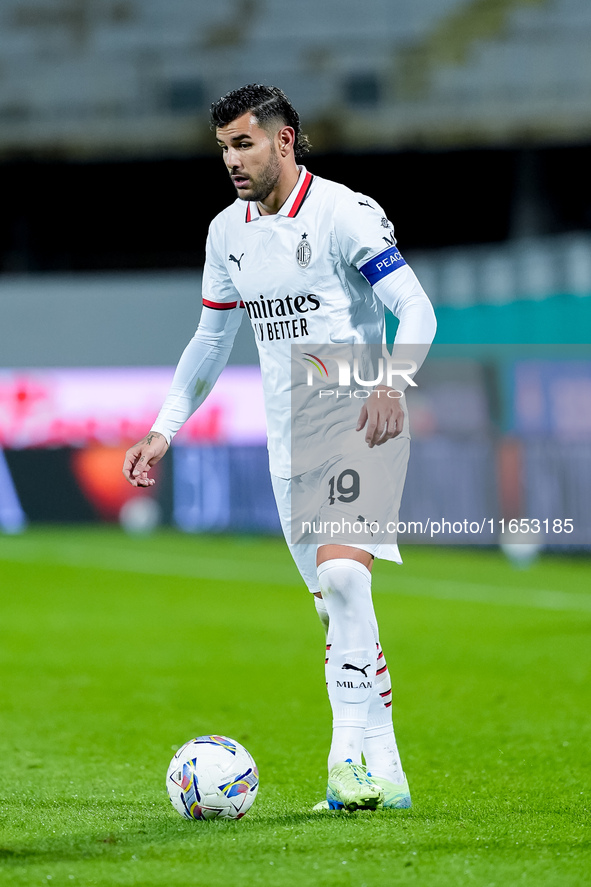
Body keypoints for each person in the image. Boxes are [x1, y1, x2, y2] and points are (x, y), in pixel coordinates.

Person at [123, 84, 436, 812]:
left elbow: (413, 306)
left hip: (362, 417)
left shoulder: (342, 213)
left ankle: (341, 763)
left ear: (284, 139)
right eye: (225, 147)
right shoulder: (225, 233)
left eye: (245, 143)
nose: (233, 159)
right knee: (335, 609)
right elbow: (211, 338)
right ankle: (383, 774)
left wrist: (393, 381)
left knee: (348, 585)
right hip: (289, 435)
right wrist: (165, 425)